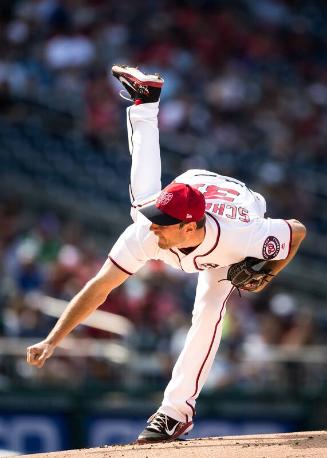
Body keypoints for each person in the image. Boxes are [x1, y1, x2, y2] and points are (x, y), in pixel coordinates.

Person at [26, 65, 307, 444]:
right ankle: (146, 101)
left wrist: (269, 271)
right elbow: (99, 287)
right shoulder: (149, 230)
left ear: (189, 228)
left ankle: (174, 413)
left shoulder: (243, 239)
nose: (153, 226)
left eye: (163, 222)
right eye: (157, 219)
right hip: (192, 186)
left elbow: (296, 231)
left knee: (208, 310)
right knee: (138, 204)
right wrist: (52, 339)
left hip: (238, 207)